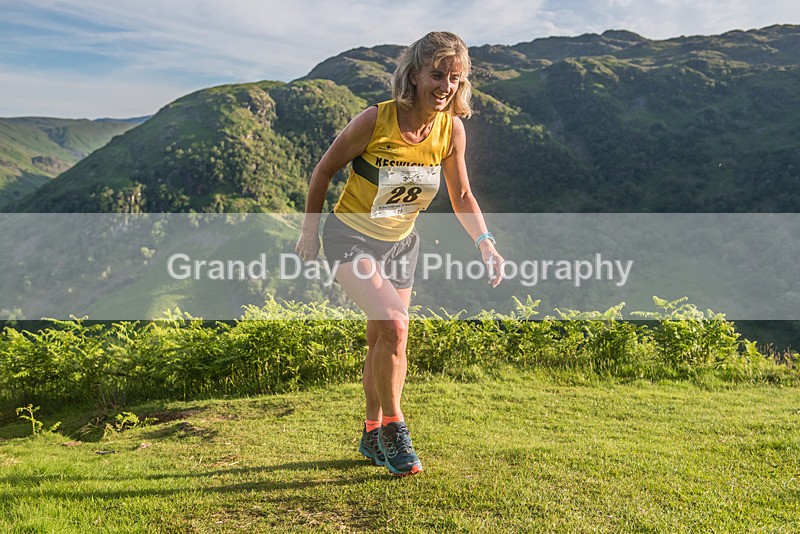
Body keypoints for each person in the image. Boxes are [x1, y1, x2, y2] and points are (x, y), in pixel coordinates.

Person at [295, 31, 503, 476]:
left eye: (455, 78)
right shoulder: (375, 120)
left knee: (383, 339)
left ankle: (372, 432)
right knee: (395, 323)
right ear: (414, 75)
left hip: (403, 244)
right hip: (351, 237)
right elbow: (324, 170)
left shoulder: (451, 129)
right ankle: (395, 427)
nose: (446, 86)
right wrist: (309, 232)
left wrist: (485, 243)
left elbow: (462, 194)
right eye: (437, 75)